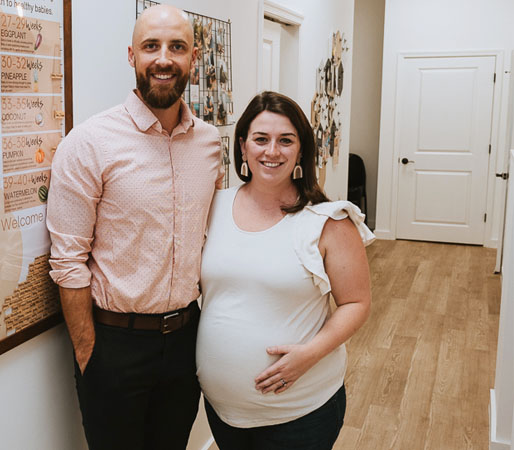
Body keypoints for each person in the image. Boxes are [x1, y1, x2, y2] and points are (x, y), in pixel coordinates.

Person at [46, 5, 222, 450]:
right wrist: (89, 353)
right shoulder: (89, 143)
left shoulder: (209, 144)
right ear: (132, 56)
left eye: (177, 47)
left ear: (193, 58)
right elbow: (67, 261)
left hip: (186, 342)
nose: (164, 59)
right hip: (113, 346)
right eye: (151, 46)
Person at [196, 91, 374, 450]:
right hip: (222, 411)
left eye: (285, 141)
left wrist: (308, 355)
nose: (272, 151)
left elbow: (357, 303)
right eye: (261, 139)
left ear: (301, 151)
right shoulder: (213, 205)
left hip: (300, 414)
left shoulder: (327, 221)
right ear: (243, 147)